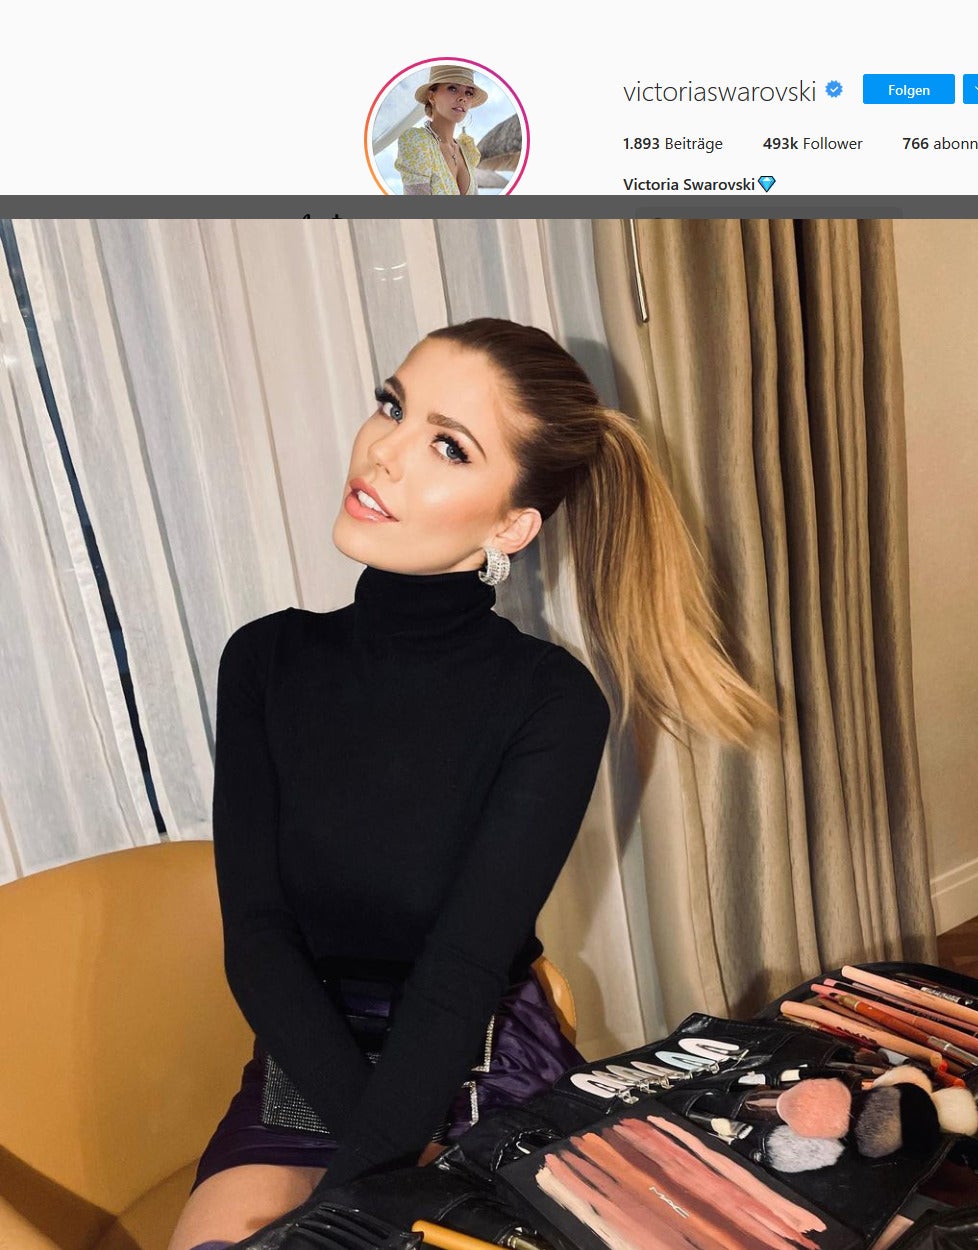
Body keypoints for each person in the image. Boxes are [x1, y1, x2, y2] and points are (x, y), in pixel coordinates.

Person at [167, 318, 776, 1249]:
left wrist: (365, 1190)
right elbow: (256, 940)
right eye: (392, 408)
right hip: (303, 1059)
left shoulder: (550, 701)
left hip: (481, 1061)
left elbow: (459, 971)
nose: (383, 452)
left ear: (510, 526)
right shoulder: (263, 659)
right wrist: (370, 1183)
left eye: (447, 446)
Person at [394, 64, 485, 195]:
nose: (463, 98)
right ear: (432, 97)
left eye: (468, 93)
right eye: (453, 88)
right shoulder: (418, 142)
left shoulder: (467, 150)